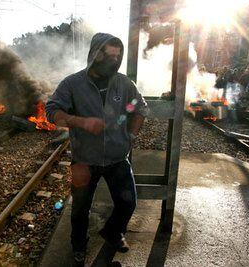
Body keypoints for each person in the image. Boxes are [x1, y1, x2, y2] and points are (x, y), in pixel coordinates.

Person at [45, 33, 148, 266]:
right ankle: (79, 245)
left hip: (117, 158)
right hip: (84, 160)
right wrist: (81, 122)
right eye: (108, 55)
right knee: (80, 209)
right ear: (94, 54)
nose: (113, 60)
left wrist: (131, 134)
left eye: (117, 56)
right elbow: (51, 112)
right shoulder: (72, 84)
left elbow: (139, 107)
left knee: (128, 202)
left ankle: (113, 232)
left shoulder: (124, 83)